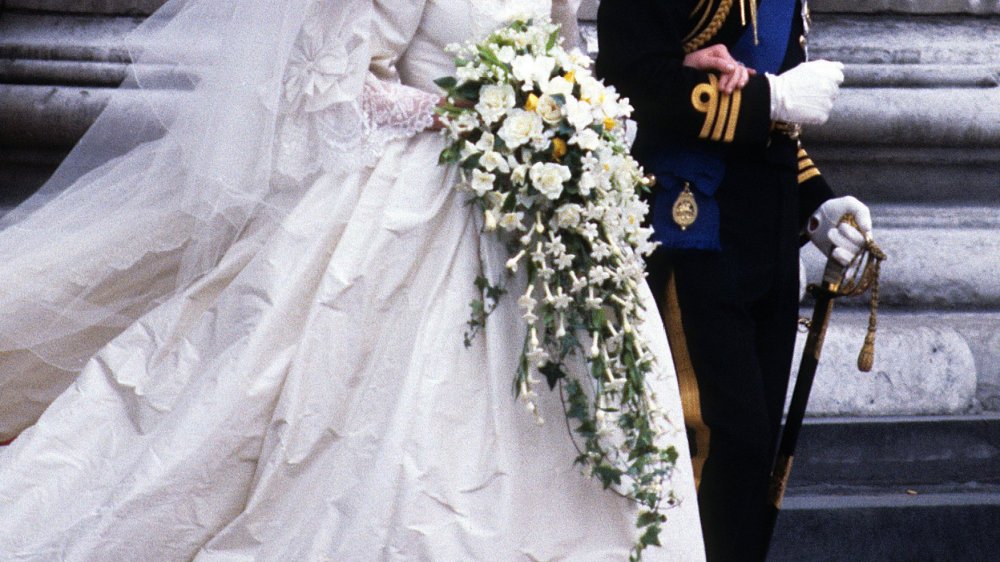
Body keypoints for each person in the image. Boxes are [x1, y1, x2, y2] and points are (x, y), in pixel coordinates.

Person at [0, 0, 706, 559]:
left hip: (531, 203)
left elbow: (564, 52)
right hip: (418, 189)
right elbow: (341, 82)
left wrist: (567, 116)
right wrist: (458, 115)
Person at [596, 1, 873, 560]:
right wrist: (769, 98)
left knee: (756, 457)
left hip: (766, 238)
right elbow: (632, 82)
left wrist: (816, 205)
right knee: (717, 441)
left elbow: (776, 125)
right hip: (692, 228)